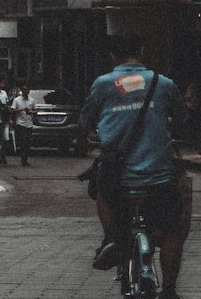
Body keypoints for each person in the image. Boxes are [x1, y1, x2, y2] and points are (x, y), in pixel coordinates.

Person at [80, 32, 190, 299]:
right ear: (142, 49)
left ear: (112, 56)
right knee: (175, 227)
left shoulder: (103, 84)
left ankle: (110, 239)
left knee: (99, 185)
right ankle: (170, 290)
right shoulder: (163, 84)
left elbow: (85, 122)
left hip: (117, 182)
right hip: (160, 180)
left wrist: (90, 135)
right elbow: (184, 119)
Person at [11, 80, 35, 166]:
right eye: (25, 89)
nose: (26, 91)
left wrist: (31, 112)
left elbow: (35, 111)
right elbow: (13, 110)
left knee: (28, 142)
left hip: (29, 123)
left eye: (28, 90)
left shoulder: (32, 100)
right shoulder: (17, 100)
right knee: (23, 141)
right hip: (20, 123)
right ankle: (23, 158)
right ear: (22, 90)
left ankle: (25, 157)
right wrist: (21, 109)